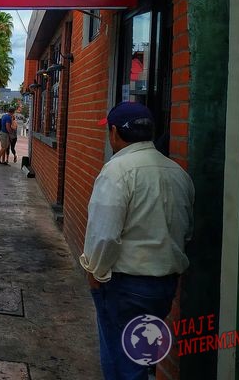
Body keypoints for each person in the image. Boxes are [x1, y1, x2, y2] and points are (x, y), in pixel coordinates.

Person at [81, 102, 194, 380]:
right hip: (164, 285)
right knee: (142, 357)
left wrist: (95, 271)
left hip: (125, 284)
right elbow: (186, 230)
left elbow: (104, 234)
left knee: (122, 363)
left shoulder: (117, 171)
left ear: (114, 132)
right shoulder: (178, 173)